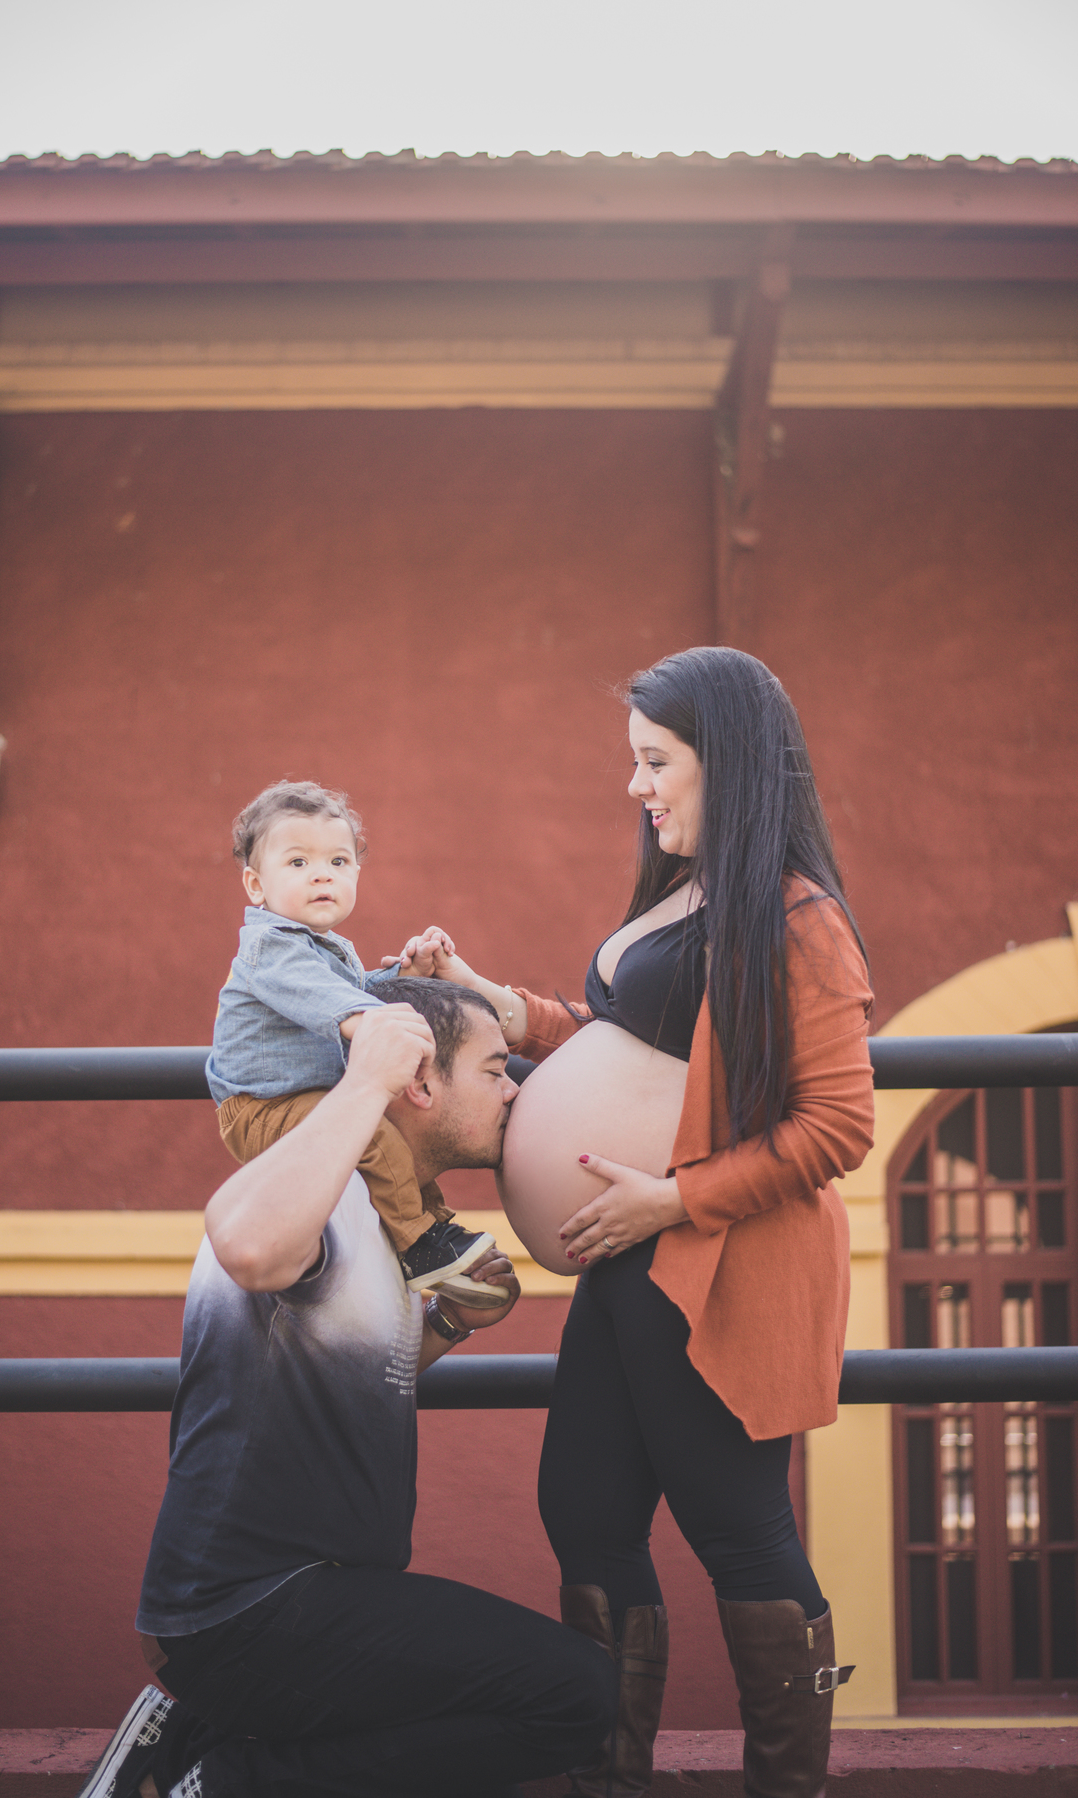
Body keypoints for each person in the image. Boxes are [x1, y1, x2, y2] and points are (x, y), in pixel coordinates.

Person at [390, 647, 876, 1798]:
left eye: (656, 761)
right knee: (587, 1509)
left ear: (730, 762)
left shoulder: (801, 919)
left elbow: (839, 1125)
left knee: (737, 1528)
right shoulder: (686, 890)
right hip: (625, 1260)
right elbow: (628, 1036)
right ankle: (609, 1774)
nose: (636, 786)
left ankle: (788, 1785)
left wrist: (673, 1198)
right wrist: (496, 1001)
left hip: (712, 1263)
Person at [80, 979, 615, 1798]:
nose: (514, 1092)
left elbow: (348, 1377)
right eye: (495, 1070)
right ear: (419, 1082)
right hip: (247, 1608)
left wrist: (449, 1323)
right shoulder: (323, 1196)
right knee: (575, 1698)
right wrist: (363, 1082)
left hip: (305, 1597)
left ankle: (179, 1738)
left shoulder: (394, 1213)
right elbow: (247, 1247)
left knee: (495, 1705)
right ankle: (215, 1780)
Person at [206, 778, 504, 1308]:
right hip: (262, 1106)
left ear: (357, 874)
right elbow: (321, 998)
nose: (322, 873)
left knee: (389, 1137)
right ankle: (420, 1244)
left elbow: (346, 992)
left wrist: (399, 976)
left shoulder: (325, 948)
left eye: (338, 862)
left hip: (306, 1098)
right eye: (298, 862)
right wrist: (374, 1019)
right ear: (256, 885)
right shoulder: (268, 947)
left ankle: (433, 1227)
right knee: (375, 1138)